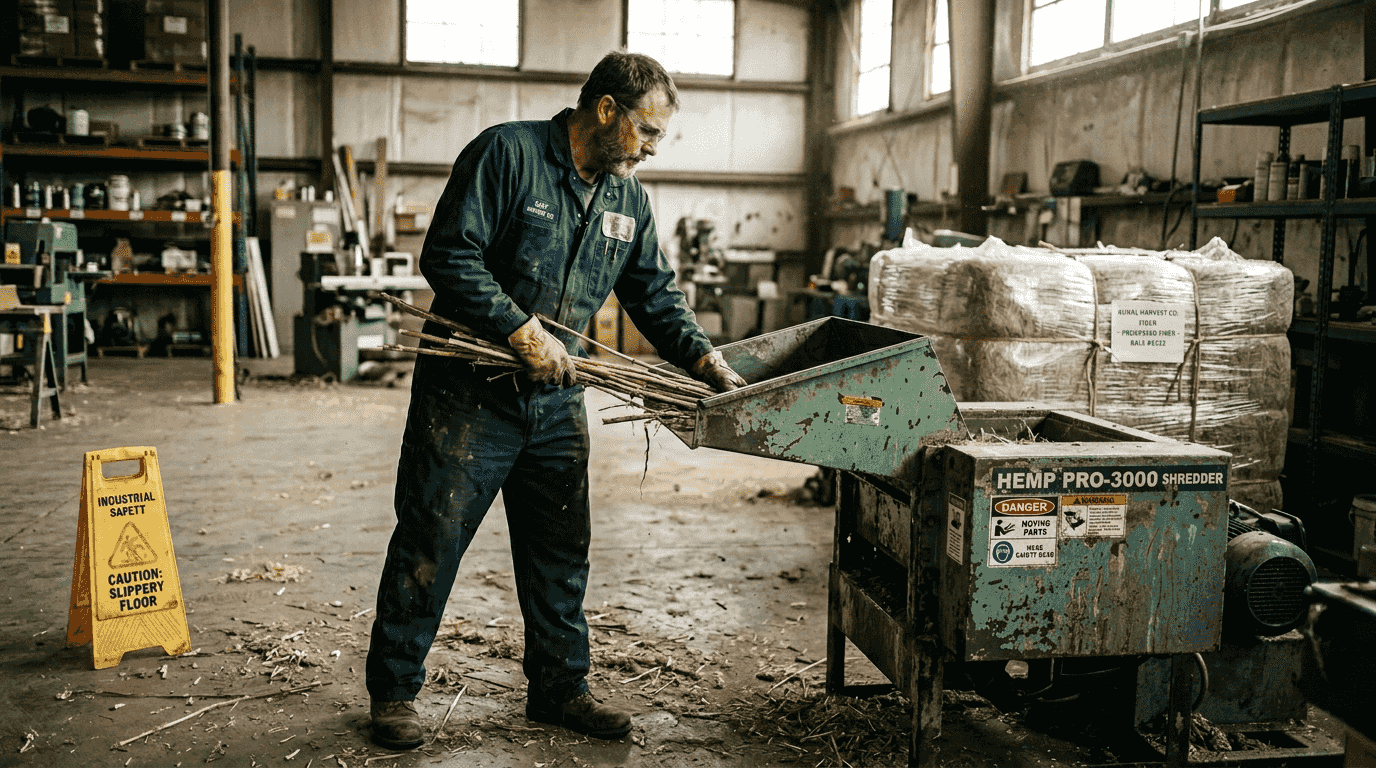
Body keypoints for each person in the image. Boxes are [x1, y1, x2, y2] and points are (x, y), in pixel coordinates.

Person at [365, 51, 746, 751]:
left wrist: (702, 357)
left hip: (555, 403)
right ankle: (393, 693)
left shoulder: (626, 197)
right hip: (469, 397)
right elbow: (450, 254)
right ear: (607, 110)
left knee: (560, 550)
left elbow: (653, 294)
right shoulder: (506, 155)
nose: (653, 150)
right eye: (649, 133)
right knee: (432, 538)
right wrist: (520, 329)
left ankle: (561, 688)